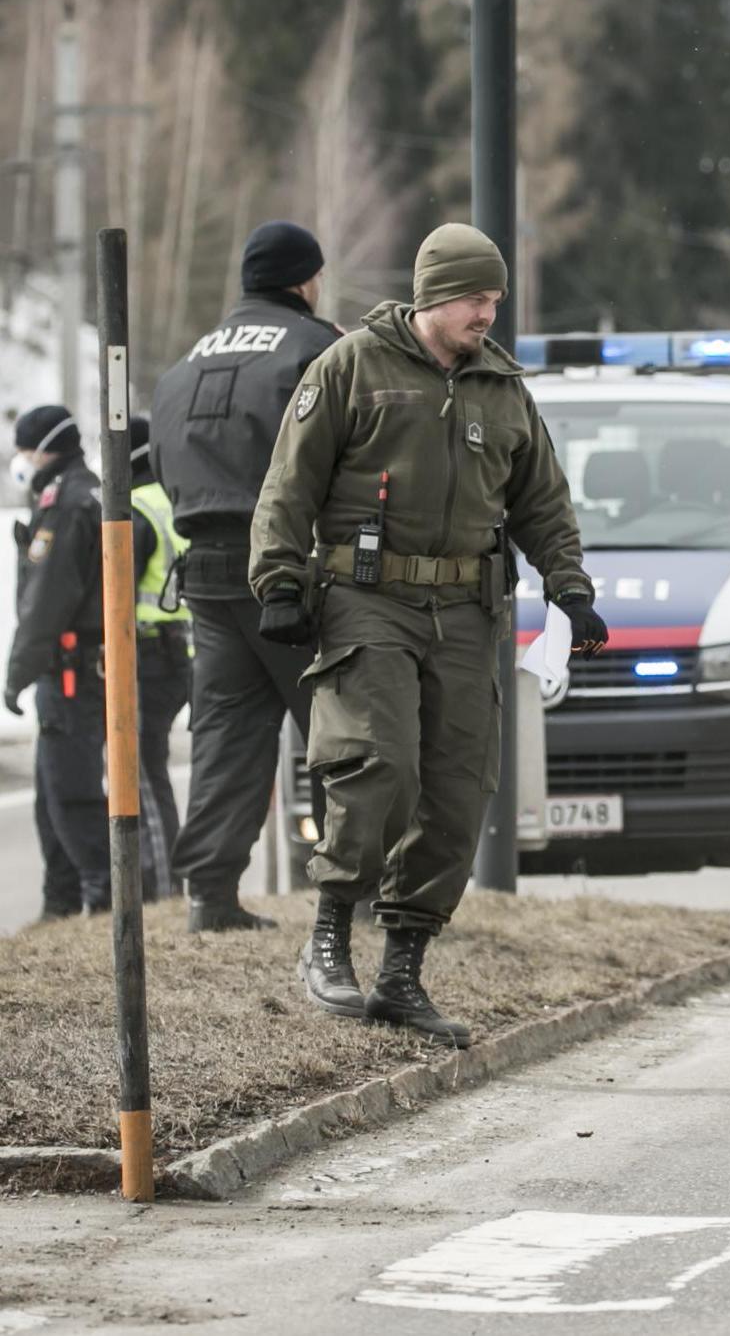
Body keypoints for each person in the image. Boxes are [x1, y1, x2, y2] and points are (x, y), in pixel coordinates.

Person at [251, 223, 607, 1047]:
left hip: (468, 611)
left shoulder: (503, 388)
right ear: (435, 295)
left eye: (495, 298)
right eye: (478, 298)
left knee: (456, 788)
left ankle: (402, 971)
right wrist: (277, 580)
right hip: (366, 600)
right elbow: (288, 482)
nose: (490, 312)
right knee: (381, 763)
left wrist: (570, 588)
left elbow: (543, 503)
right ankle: (331, 934)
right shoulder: (350, 367)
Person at [150, 220, 340, 932]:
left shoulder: (183, 364)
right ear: (303, 279)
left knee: (226, 733)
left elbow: (162, 465)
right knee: (340, 728)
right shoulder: (318, 347)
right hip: (294, 572)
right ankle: (349, 896)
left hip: (206, 575)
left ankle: (211, 896)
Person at [4, 407, 109, 919]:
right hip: (75, 666)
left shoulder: (66, 503)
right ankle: (61, 904)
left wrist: (16, 674)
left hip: (69, 669)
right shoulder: (82, 491)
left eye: (24, 449)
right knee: (52, 797)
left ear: (45, 447)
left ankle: (103, 900)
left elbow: (45, 602)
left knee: (72, 795)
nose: (19, 460)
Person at [127, 414, 190, 896]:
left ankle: (163, 884)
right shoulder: (171, 498)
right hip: (183, 653)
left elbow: (114, 593)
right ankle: (167, 876)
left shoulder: (134, 511)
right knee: (154, 770)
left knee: (143, 774)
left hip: (147, 657)